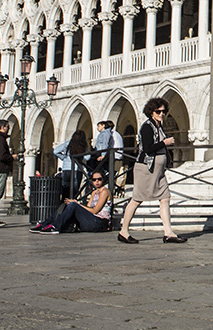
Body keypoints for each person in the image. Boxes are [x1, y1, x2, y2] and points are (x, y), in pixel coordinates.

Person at [118, 98, 186, 244]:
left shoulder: (158, 126)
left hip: (158, 171)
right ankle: (123, 231)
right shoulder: (147, 127)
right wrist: (164, 142)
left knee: (165, 197)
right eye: (158, 111)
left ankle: (168, 232)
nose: (162, 114)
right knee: (136, 199)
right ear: (151, 112)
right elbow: (147, 148)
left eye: (163, 111)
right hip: (146, 169)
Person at [31, 170, 112, 234]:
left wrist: (77, 204)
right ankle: (44, 224)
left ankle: (55, 227)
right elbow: (88, 207)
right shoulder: (94, 192)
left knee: (73, 205)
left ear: (103, 179)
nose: (97, 181)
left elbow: (95, 211)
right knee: (66, 204)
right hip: (90, 219)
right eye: (94, 180)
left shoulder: (105, 191)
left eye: (99, 179)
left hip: (99, 222)